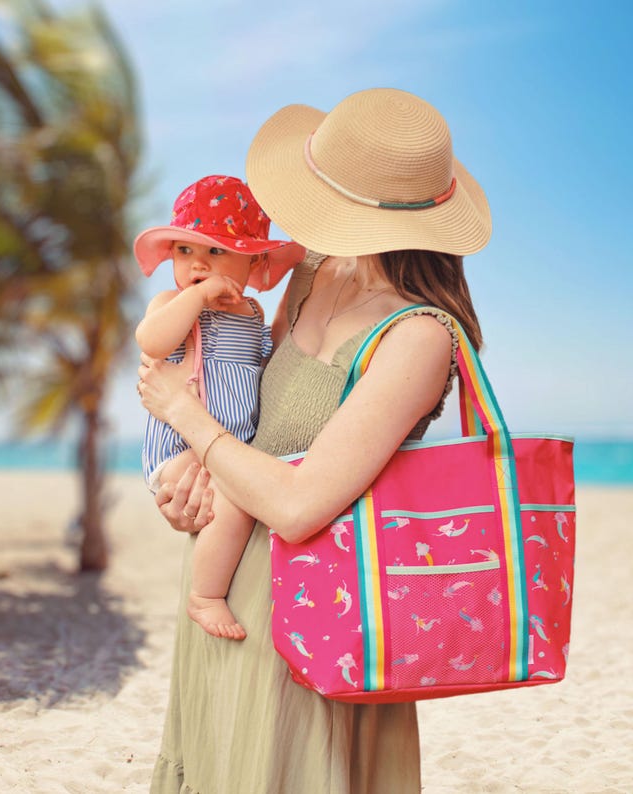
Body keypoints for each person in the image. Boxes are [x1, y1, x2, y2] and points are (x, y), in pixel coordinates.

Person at [138, 88, 492, 793]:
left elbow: (300, 505)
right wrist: (190, 475)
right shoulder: (310, 277)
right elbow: (254, 424)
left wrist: (185, 419)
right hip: (227, 583)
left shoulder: (417, 337)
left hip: (316, 613)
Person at [134, 174, 304, 638]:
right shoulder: (174, 303)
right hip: (178, 447)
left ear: (252, 262)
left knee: (241, 491)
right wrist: (196, 297)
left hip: (228, 441)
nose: (199, 265)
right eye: (185, 251)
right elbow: (150, 340)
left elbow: (265, 367)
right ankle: (205, 595)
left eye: (216, 252)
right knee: (233, 497)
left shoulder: (252, 315)